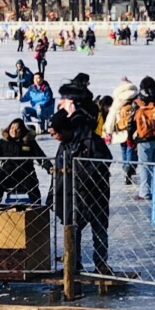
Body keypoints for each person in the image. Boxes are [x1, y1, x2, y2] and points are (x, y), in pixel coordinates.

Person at [48, 107, 111, 277]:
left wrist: (76, 172)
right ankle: (73, 263)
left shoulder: (92, 141)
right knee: (72, 228)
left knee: (99, 230)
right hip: (72, 194)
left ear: (64, 130)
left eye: (55, 133)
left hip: (95, 193)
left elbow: (104, 162)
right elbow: (59, 171)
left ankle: (101, 264)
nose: (54, 137)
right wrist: (53, 195)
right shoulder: (64, 146)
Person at [0, 119, 47, 203]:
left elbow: (40, 156)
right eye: (12, 128)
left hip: (26, 174)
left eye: (17, 129)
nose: (13, 131)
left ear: (22, 130)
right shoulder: (3, 142)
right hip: (7, 173)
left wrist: (49, 167)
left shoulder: (29, 142)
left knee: (34, 190)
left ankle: (36, 210)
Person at [131, 76, 155, 200]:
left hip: (144, 140)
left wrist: (132, 138)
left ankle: (145, 192)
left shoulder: (138, 103)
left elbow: (130, 123)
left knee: (144, 167)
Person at [105, 78, 140, 186]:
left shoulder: (118, 98)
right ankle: (130, 169)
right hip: (133, 130)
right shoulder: (136, 97)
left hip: (121, 130)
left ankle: (126, 169)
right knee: (131, 150)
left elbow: (112, 115)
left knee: (124, 149)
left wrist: (108, 130)